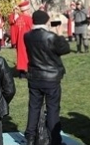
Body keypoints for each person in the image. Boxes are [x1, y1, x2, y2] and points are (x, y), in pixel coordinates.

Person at [23, 10, 71, 145]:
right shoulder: (51, 37)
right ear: (46, 21)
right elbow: (65, 49)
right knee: (52, 109)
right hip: (51, 77)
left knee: (34, 108)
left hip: (34, 76)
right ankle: (55, 139)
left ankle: (30, 137)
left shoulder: (27, 36)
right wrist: (59, 33)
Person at [15, 1, 34, 76]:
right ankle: (28, 71)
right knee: (27, 56)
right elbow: (32, 29)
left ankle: (21, 73)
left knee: (20, 56)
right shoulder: (28, 19)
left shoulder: (18, 19)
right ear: (27, 10)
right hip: (27, 40)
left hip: (19, 40)